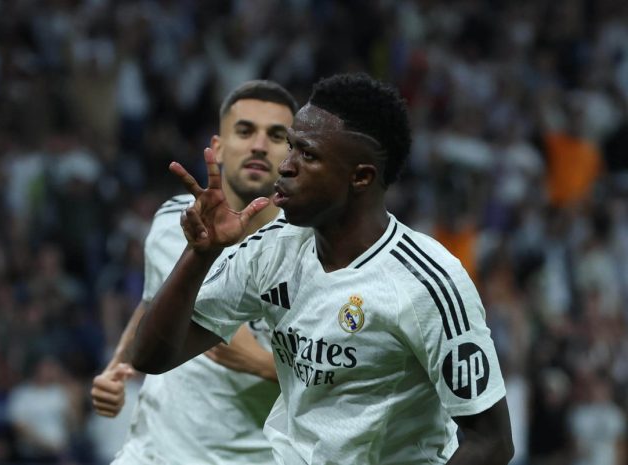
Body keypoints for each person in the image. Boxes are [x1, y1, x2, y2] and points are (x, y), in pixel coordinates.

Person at [132, 73, 514, 464]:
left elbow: (492, 443)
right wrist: (200, 255)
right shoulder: (273, 248)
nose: (285, 166)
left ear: (361, 177)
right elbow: (152, 357)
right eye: (291, 146)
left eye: (308, 155)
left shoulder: (426, 283)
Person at [91, 80, 297, 465]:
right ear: (217, 147)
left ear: (293, 153)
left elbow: (233, 348)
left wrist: (281, 372)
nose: (258, 144)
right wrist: (117, 364)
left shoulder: (309, 246)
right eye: (245, 130)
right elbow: (157, 300)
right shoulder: (179, 221)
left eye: (276, 135)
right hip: (156, 452)